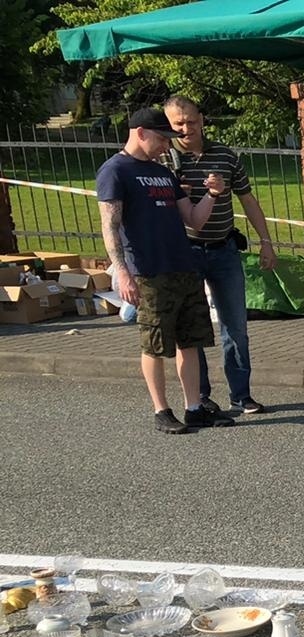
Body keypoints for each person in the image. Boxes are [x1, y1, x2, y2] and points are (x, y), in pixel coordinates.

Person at [96, 107, 235, 436]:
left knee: (190, 342)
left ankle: (194, 407)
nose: (166, 147)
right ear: (140, 133)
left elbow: (194, 219)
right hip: (149, 270)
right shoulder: (116, 170)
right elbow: (110, 226)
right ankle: (161, 409)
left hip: (183, 266)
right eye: (161, 139)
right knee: (155, 343)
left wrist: (213, 195)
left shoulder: (163, 173)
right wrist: (123, 272)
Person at [164, 95, 275, 417]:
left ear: (202, 120)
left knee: (236, 326)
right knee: (193, 327)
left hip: (224, 249)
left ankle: (241, 395)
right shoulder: (163, 159)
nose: (187, 128)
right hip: (185, 252)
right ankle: (200, 396)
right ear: (168, 125)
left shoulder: (225, 155)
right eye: (178, 124)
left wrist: (266, 241)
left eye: (192, 121)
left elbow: (248, 200)